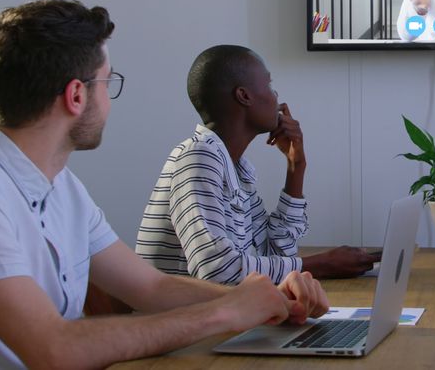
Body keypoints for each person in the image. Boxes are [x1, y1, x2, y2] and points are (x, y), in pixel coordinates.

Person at [0, 0, 328, 368]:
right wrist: (227, 310)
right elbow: (54, 349)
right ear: (76, 95)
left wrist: (270, 300)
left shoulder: (63, 188)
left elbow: (152, 288)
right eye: (108, 83)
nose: (109, 98)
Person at [136, 45, 379, 283]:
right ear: (244, 96)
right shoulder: (198, 158)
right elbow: (217, 271)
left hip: (222, 316)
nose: (276, 97)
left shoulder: (235, 167)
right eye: (269, 85)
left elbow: (275, 254)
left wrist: (296, 166)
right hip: (182, 320)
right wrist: (321, 265)